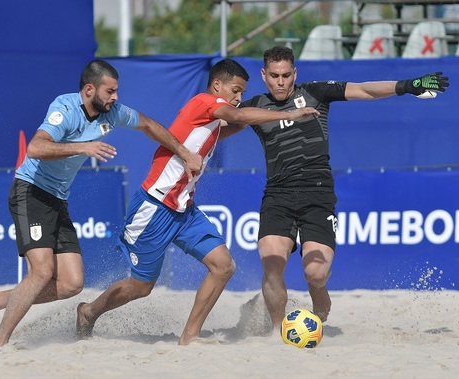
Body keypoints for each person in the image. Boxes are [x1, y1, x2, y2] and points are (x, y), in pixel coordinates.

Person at [76, 58, 320, 345]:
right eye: (235, 90)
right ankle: (89, 311)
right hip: (154, 208)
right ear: (217, 85)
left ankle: (189, 337)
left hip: (184, 210)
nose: (238, 98)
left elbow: (232, 125)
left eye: (242, 92)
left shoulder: (213, 119)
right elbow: (238, 117)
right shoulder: (204, 101)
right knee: (141, 287)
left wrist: (251, 114)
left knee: (223, 266)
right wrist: (287, 113)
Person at [0, 59, 204, 347]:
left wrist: (183, 151)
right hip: (30, 191)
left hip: (57, 199)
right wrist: (84, 146)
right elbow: (35, 148)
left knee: (71, 284)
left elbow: (148, 125)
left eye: (117, 91)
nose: (116, 97)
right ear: (89, 89)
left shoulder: (114, 113)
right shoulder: (66, 109)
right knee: (42, 272)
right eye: (110, 91)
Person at [222, 46, 449, 335]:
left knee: (314, 273)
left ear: (295, 73)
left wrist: (407, 86)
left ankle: (318, 289)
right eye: (274, 76)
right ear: (264, 75)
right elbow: (217, 125)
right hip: (277, 195)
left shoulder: (316, 93)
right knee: (271, 263)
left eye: (286, 75)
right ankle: (280, 332)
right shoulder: (255, 107)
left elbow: (365, 90)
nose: (281, 81)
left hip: (317, 195)